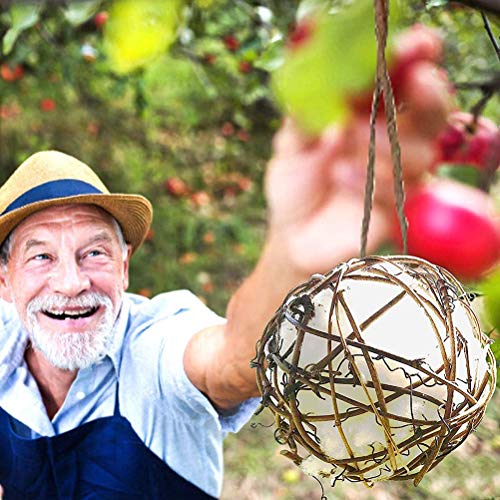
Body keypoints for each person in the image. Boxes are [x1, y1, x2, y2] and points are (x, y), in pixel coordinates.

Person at [0, 25, 453, 499]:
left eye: (94, 253)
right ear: (5, 282)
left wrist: (293, 254)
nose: (72, 282)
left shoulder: (151, 350)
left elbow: (234, 361)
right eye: (41, 256)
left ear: (125, 266)